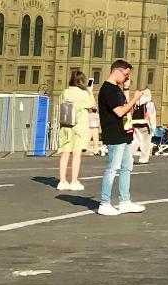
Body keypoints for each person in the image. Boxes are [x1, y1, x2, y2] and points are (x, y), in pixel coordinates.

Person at [96, 61, 146, 217]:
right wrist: (135, 98)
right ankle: (104, 203)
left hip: (124, 132)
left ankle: (125, 201)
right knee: (113, 168)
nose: (127, 78)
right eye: (126, 74)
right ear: (117, 71)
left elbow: (126, 108)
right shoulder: (107, 90)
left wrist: (127, 90)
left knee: (126, 167)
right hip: (114, 133)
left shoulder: (117, 89)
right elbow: (119, 111)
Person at [55, 72, 95, 191]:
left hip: (66, 126)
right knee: (76, 155)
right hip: (79, 127)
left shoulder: (65, 92)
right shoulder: (83, 94)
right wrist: (90, 91)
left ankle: (62, 181)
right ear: (82, 81)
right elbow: (93, 105)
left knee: (65, 154)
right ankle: (74, 181)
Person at [130, 87, 157, 165]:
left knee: (135, 142)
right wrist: (153, 126)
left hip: (135, 124)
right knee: (146, 143)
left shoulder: (135, 103)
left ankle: (128, 157)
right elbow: (152, 116)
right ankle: (143, 159)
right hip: (145, 125)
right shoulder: (149, 104)